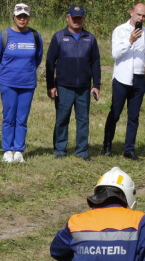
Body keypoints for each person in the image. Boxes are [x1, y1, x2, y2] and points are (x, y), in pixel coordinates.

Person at [45, 5, 100, 161]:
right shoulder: (58, 37)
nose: (77, 21)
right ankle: (60, 150)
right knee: (62, 118)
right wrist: (51, 86)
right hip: (63, 86)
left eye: (79, 18)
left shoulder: (90, 38)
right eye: (74, 18)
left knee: (83, 119)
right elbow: (50, 62)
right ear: (67, 18)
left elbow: (95, 63)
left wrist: (96, 85)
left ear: (83, 18)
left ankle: (82, 151)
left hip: (84, 87)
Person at [0, 3, 43, 163]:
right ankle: (7, 150)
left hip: (27, 84)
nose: (22, 19)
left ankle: (19, 150)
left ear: (28, 18)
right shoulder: (4, 35)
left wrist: (26, 71)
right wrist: (7, 72)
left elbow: (38, 58)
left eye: (25, 16)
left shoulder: (35, 36)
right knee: (9, 117)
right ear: (13, 17)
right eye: (19, 16)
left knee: (22, 118)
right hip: (8, 83)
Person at [102, 2, 145, 162]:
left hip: (138, 78)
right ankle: (107, 146)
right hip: (122, 78)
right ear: (131, 13)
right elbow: (115, 54)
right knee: (115, 113)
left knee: (134, 116)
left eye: (144, 15)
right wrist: (130, 40)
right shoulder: (120, 30)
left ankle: (129, 149)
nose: (141, 18)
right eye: (139, 14)